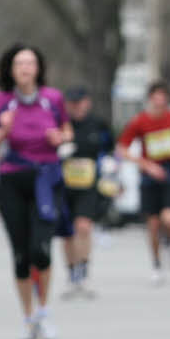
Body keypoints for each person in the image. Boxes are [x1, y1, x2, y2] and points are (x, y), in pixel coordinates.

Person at [0, 42, 72, 339]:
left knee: (40, 250)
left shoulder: (52, 98)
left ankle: (44, 312)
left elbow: (68, 132)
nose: (25, 68)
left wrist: (60, 137)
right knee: (21, 255)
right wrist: (4, 130)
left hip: (46, 179)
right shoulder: (2, 102)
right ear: (11, 68)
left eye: (30, 62)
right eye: (19, 63)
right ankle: (27, 317)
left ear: (38, 68)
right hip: (12, 181)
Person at [116, 80, 170, 285]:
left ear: (166, 99)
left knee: (169, 219)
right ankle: (157, 263)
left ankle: (169, 241)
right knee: (153, 224)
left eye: (162, 97)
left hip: (168, 174)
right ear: (150, 99)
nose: (159, 101)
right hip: (148, 177)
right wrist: (146, 165)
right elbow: (121, 149)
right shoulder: (140, 121)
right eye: (155, 97)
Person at [60, 87, 114, 298]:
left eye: (79, 102)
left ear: (87, 103)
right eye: (72, 102)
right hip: (63, 186)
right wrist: (59, 152)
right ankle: (72, 274)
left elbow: (110, 147)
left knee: (83, 227)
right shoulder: (61, 124)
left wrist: (109, 164)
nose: (76, 106)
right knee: (67, 233)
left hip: (88, 184)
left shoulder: (98, 124)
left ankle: (84, 271)